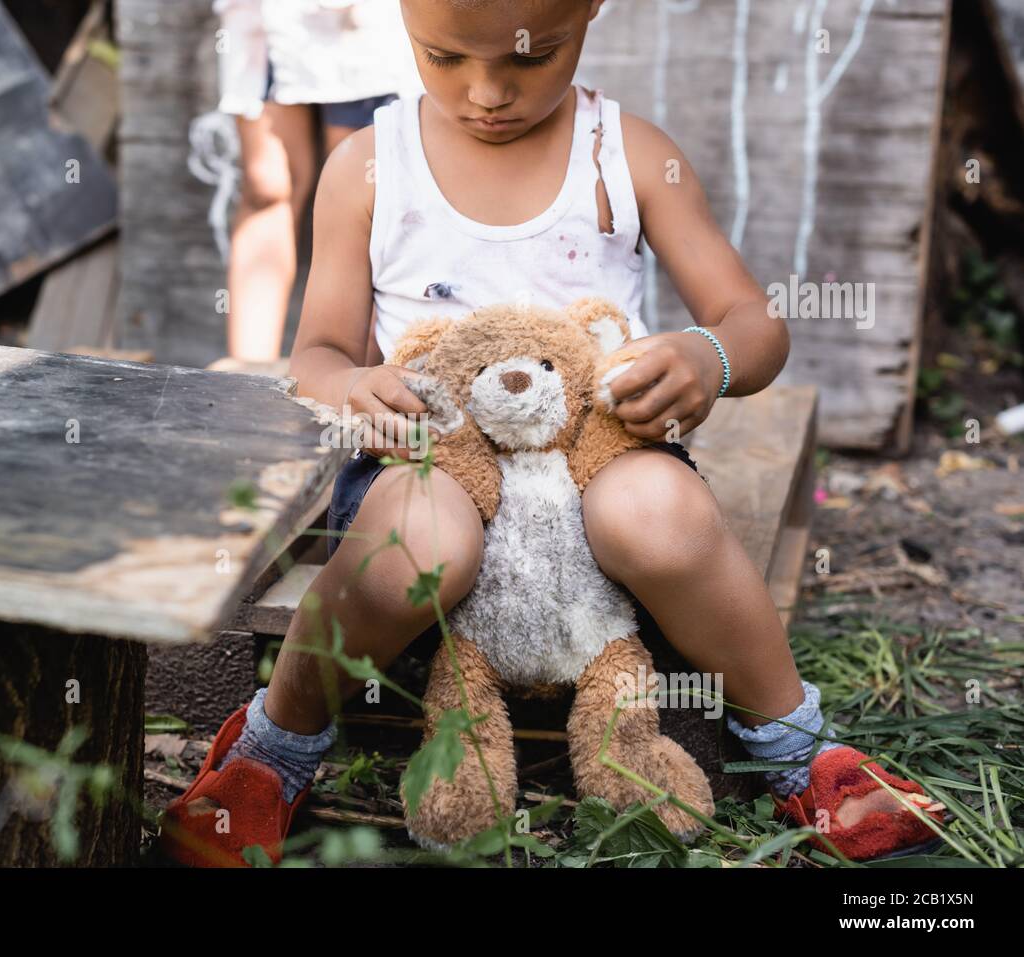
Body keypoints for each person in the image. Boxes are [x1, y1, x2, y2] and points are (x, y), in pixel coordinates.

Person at [163, 0, 946, 865]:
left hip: (598, 454)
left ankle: (800, 746)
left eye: (529, 59)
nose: (486, 92)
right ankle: (275, 744)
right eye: (444, 57)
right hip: (436, 458)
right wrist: (353, 384)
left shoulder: (630, 155)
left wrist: (707, 355)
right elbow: (312, 355)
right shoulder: (369, 167)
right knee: (421, 538)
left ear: (590, 15)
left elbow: (755, 323)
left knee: (655, 511)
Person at [211, 0, 420, 368]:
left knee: (367, 193)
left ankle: (356, 376)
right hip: (266, 15)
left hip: (365, 24)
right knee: (266, 184)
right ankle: (247, 371)